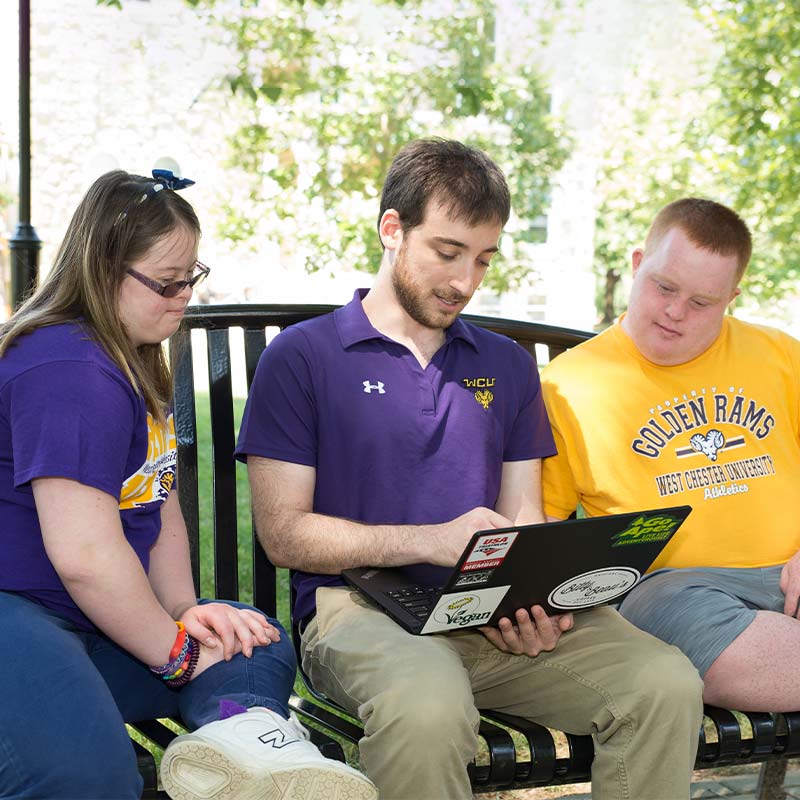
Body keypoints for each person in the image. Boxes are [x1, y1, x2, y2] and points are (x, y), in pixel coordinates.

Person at [235, 138, 704, 800]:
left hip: (489, 610)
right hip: (360, 610)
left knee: (664, 684)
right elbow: (284, 534)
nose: (465, 281)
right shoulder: (304, 357)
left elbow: (522, 512)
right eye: (448, 253)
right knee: (427, 706)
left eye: (483, 260)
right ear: (392, 230)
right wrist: (426, 539)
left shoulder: (507, 364)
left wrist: (531, 593)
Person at [0, 169, 377, 800]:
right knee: (86, 780)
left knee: (250, 636)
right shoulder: (68, 370)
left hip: (89, 626)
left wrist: (184, 612)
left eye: (191, 278)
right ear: (101, 271)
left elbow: (159, 503)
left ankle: (242, 745)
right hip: (18, 612)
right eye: (168, 283)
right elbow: (85, 558)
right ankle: (244, 734)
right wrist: (176, 653)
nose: (184, 298)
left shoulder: (134, 354)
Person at [541, 196, 800, 712]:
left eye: (703, 302)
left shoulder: (780, 356)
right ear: (638, 264)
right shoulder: (567, 385)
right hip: (671, 590)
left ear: (732, 296)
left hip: (790, 570)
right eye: (664, 287)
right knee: (669, 610)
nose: (676, 313)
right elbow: (543, 525)